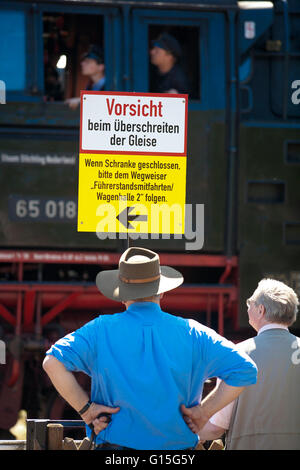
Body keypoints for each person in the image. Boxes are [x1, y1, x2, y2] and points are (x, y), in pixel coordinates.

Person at [43, 247, 257, 450]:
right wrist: (203, 412)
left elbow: (52, 362)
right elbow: (245, 369)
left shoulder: (100, 330)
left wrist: (86, 411)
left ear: (122, 295)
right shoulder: (193, 333)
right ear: (161, 292)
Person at [195, 278, 300, 450]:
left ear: (261, 310)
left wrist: (186, 434)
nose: (247, 307)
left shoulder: (238, 355)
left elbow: (215, 428)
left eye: (249, 302)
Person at [65, 44, 105, 110]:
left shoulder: (110, 86)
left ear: (101, 66)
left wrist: (83, 101)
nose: (82, 64)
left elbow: (105, 103)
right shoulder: (90, 85)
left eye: (88, 62)